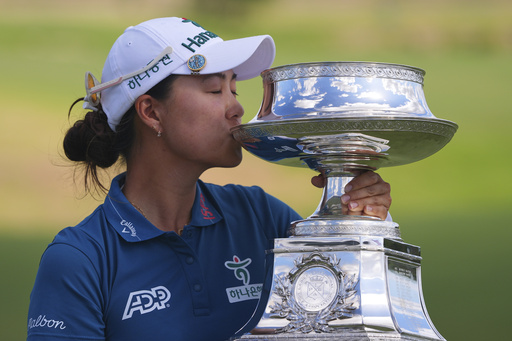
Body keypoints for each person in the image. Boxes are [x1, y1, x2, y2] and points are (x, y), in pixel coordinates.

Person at [27, 17, 392, 341]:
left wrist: (359, 221)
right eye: (215, 90)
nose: (237, 107)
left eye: (234, 88)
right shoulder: (80, 259)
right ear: (151, 112)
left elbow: (351, 315)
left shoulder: (260, 217)